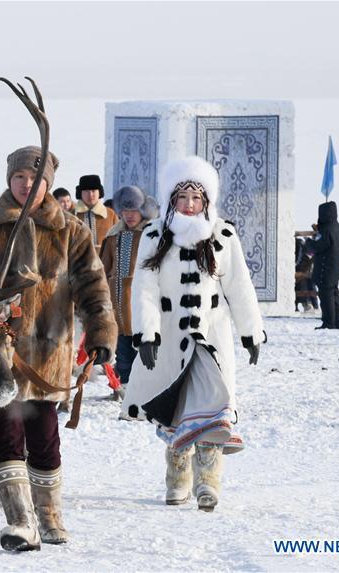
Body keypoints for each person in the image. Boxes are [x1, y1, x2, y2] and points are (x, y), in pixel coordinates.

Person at [0, 145, 117, 551]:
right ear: (9, 179)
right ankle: (20, 520)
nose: (27, 185)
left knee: (44, 436)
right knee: (5, 431)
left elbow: (94, 286)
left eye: (36, 180)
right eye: (20, 177)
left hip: (48, 351)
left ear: (48, 185)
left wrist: (100, 334)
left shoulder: (71, 230)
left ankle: (49, 514)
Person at [120, 156, 265, 513]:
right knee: (176, 410)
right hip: (169, 338)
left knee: (213, 411)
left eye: (196, 197)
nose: (189, 204)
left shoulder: (222, 234)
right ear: (171, 198)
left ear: (207, 200)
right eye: (182, 196)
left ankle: (208, 481)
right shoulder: (155, 235)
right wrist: (147, 333)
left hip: (210, 339)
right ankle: (178, 475)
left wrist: (251, 331)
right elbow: (145, 288)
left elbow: (239, 285)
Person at [99, 186, 159, 398]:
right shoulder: (114, 235)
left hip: (143, 304)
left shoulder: (152, 235)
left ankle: (148, 389)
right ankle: (123, 388)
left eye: (134, 210)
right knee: (122, 350)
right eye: (125, 211)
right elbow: (103, 267)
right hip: (118, 305)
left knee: (145, 348)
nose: (130, 215)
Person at [307, 201, 339, 329]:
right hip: (334, 266)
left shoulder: (327, 230)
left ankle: (329, 323)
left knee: (326, 296)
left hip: (326, 267)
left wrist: (309, 242)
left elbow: (318, 246)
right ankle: (337, 322)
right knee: (334, 294)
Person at [74, 174, 119, 253]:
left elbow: (118, 242)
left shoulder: (110, 214)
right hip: (78, 263)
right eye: (86, 191)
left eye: (93, 190)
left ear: (99, 192)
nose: (90, 195)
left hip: (105, 262)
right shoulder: (72, 215)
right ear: (80, 193)